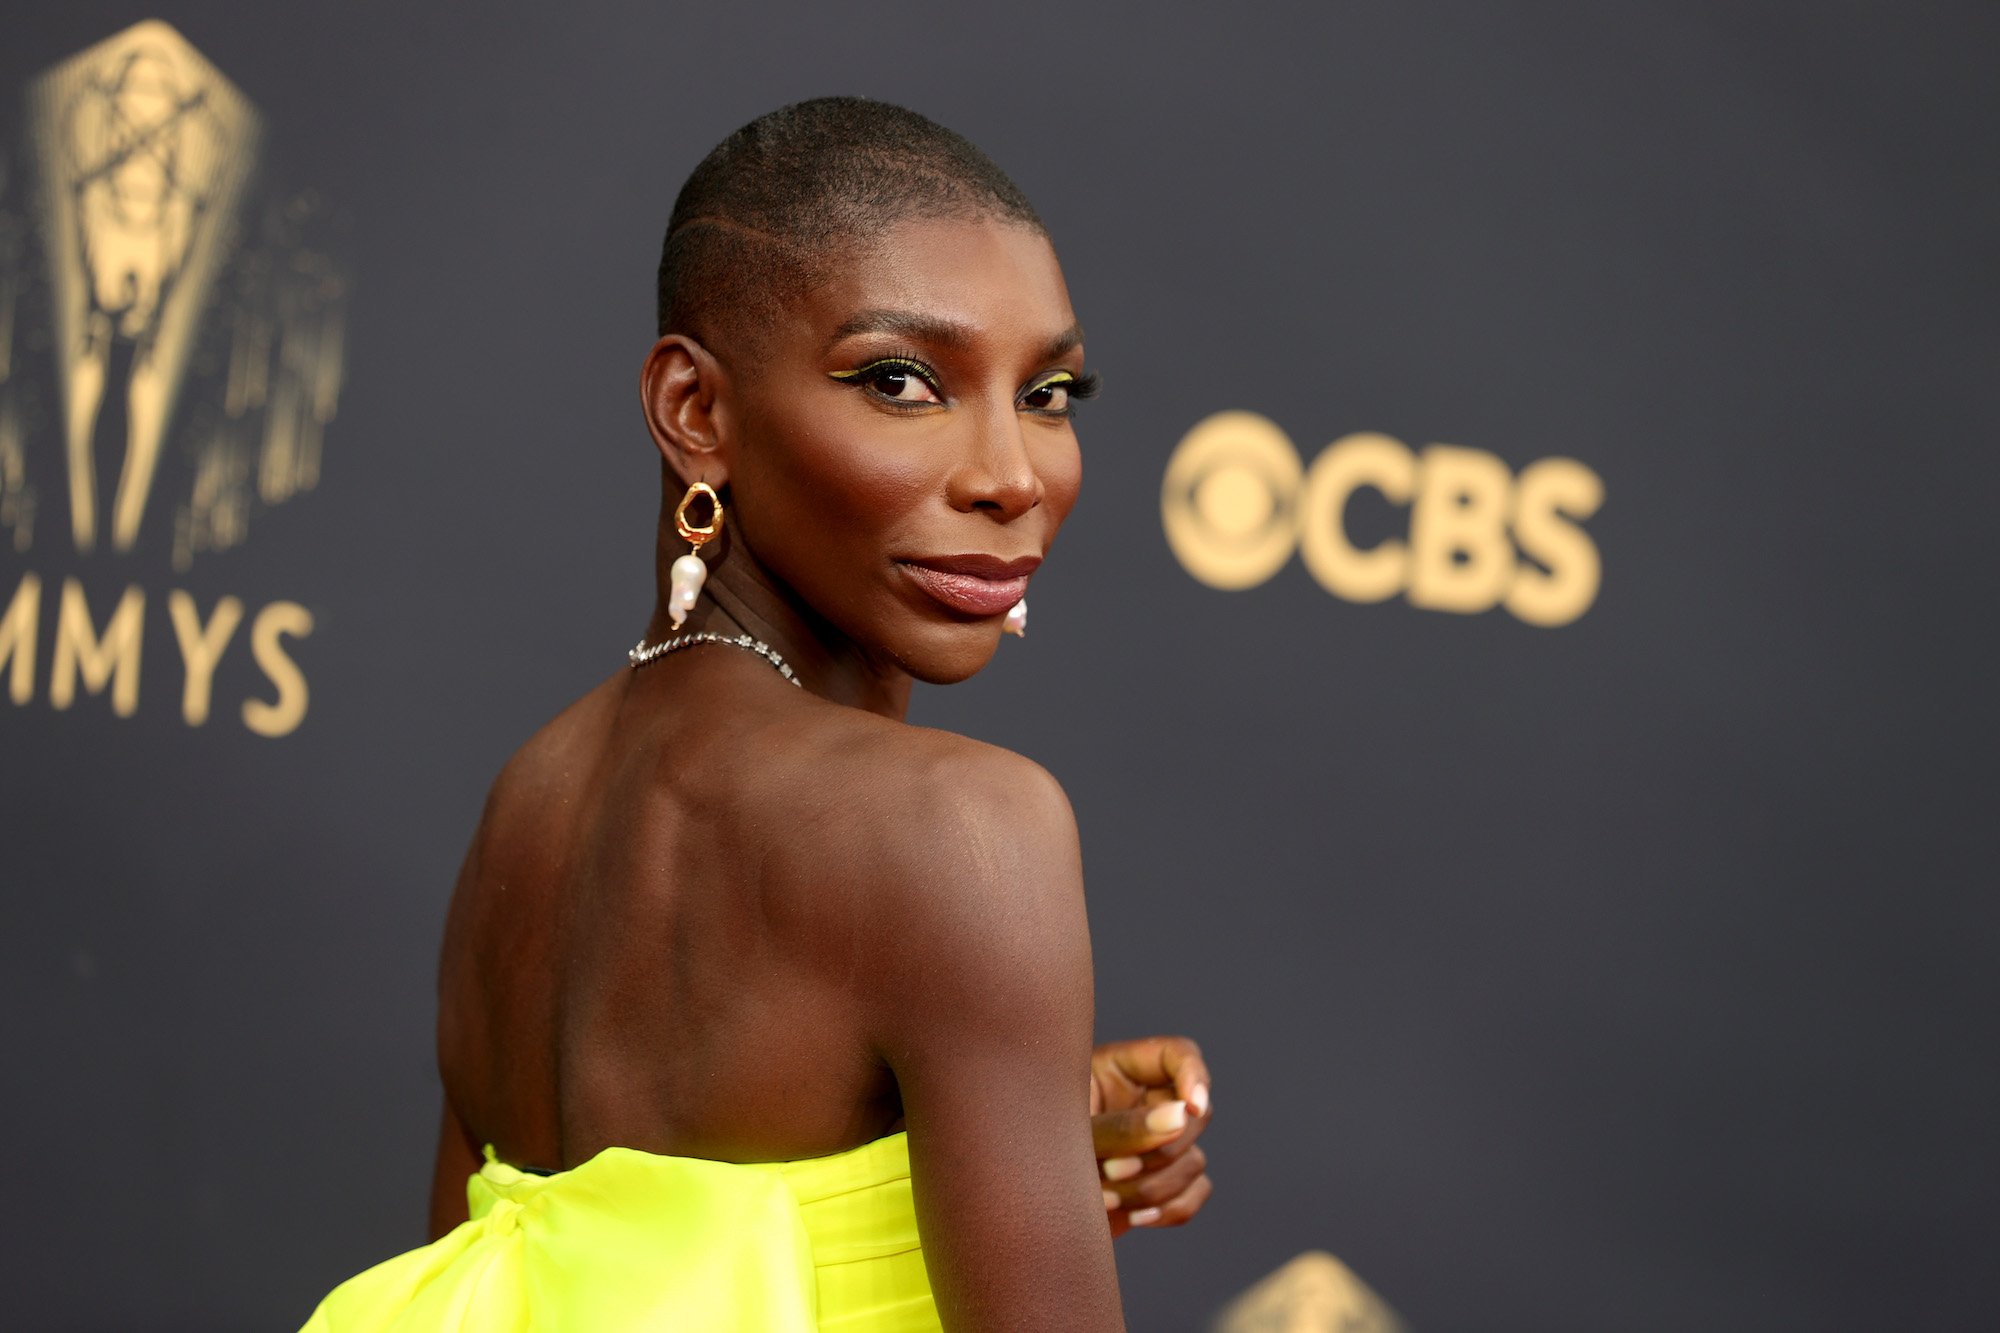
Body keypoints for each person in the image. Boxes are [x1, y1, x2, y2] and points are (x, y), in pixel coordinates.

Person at [301, 96, 1212, 1332]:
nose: (1010, 474)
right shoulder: (962, 829)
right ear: (696, 411)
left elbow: (533, 1273)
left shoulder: (531, 798)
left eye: (1049, 391)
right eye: (901, 381)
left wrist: (999, 1140)